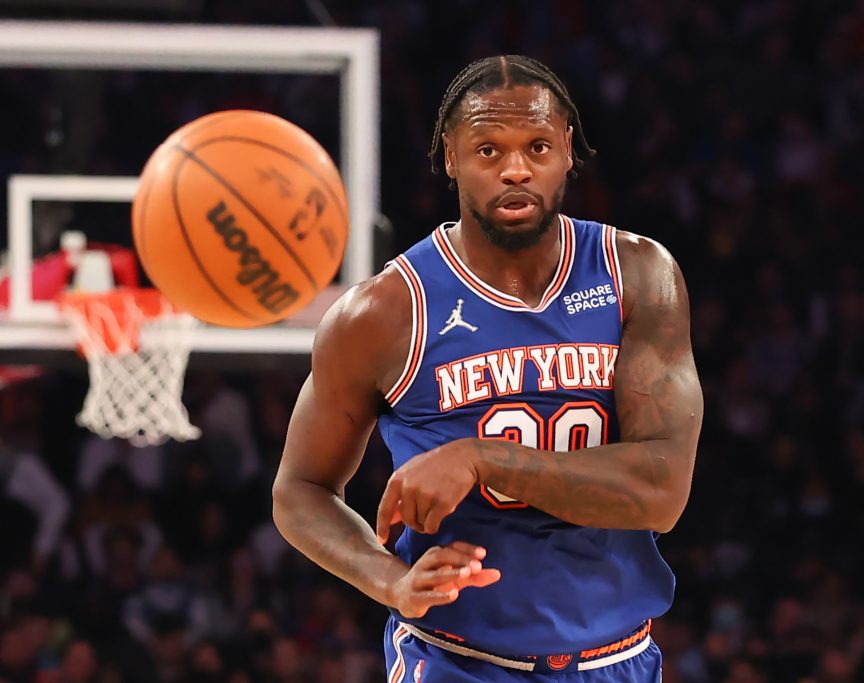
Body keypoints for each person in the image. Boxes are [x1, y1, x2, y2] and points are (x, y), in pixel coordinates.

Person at [272, 55, 703, 682]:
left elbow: (662, 491)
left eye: (537, 146)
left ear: (568, 153)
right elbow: (299, 490)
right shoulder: (385, 313)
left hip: (619, 660)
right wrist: (389, 580)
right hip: (460, 662)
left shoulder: (636, 275)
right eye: (488, 149)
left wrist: (482, 457)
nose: (516, 169)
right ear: (451, 157)